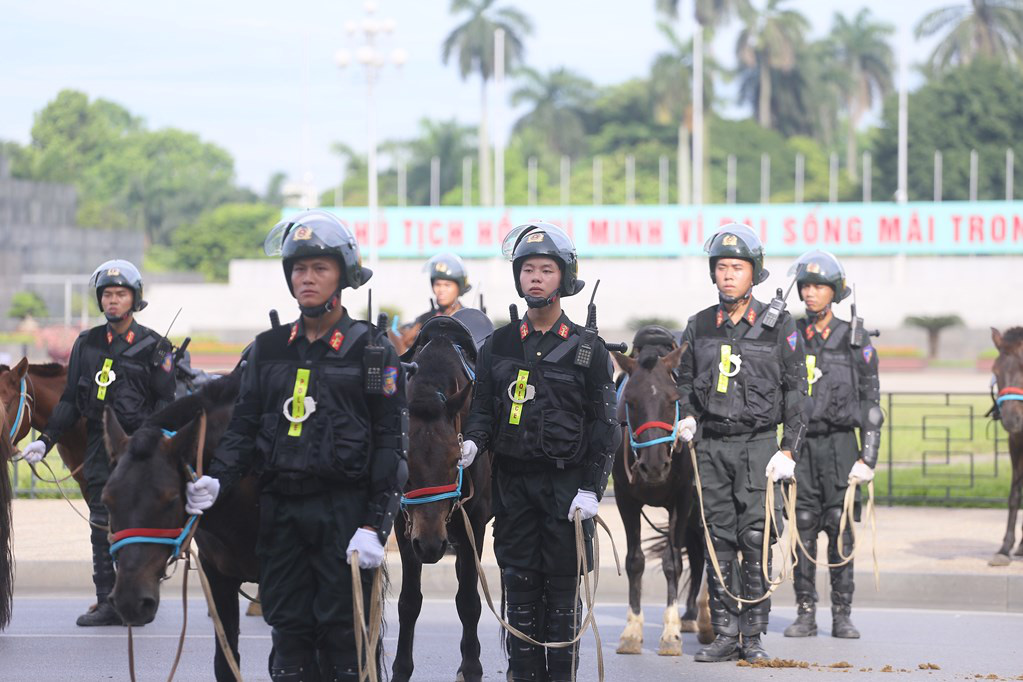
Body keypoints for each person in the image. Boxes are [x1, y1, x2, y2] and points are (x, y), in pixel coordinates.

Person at [185, 210, 409, 681]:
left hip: (345, 516)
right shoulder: (268, 350)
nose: (306, 278)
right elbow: (243, 431)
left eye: (319, 269)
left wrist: (376, 525)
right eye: (298, 269)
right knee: (288, 642)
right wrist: (217, 481)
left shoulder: (372, 351)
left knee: (345, 646)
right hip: (280, 515)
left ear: (342, 276)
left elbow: (391, 444)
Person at [462, 222, 619, 682]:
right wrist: (472, 442)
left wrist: (592, 490)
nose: (534, 277)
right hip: (512, 490)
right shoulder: (499, 344)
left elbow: (604, 427)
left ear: (564, 278)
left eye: (545, 270)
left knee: (561, 600)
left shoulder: (588, 349)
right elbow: (484, 409)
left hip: (567, 492)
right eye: (527, 269)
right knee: (520, 593)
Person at [675, 223, 807, 662]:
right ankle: (726, 632)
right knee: (717, 538)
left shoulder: (780, 326)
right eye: (722, 267)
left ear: (755, 274)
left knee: (756, 537)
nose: (729, 274)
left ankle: (753, 634)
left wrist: (789, 449)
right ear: (713, 274)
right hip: (712, 444)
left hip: (758, 446)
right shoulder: (697, 326)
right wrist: (689, 418)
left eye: (738, 267)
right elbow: (685, 383)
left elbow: (796, 389)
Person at [21, 260, 176, 626]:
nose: (113, 300)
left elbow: (166, 405)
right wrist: (44, 441)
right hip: (97, 445)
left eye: (121, 294)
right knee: (100, 524)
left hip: (139, 448)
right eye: (107, 294)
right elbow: (71, 400)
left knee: (136, 526)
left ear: (134, 300)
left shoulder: (156, 346)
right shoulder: (87, 344)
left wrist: (155, 449)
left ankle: (138, 598)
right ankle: (108, 602)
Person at [784, 250, 881, 640]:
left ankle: (843, 613)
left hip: (842, 445)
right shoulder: (790, 336)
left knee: (840, 531)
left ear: (834, 292)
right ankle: (805, 612)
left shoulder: (855, 339)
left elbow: (872, 403)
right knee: (802, 529)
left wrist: (868, 457)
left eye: (819, 287)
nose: (810, 293)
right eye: (806, 286)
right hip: (802, 445)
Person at [411, 252, 472, 326]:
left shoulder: (469, 319)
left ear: (459, 288)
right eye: (437, 284)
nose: (441, 290)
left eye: (447, 285)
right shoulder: (424, 321)